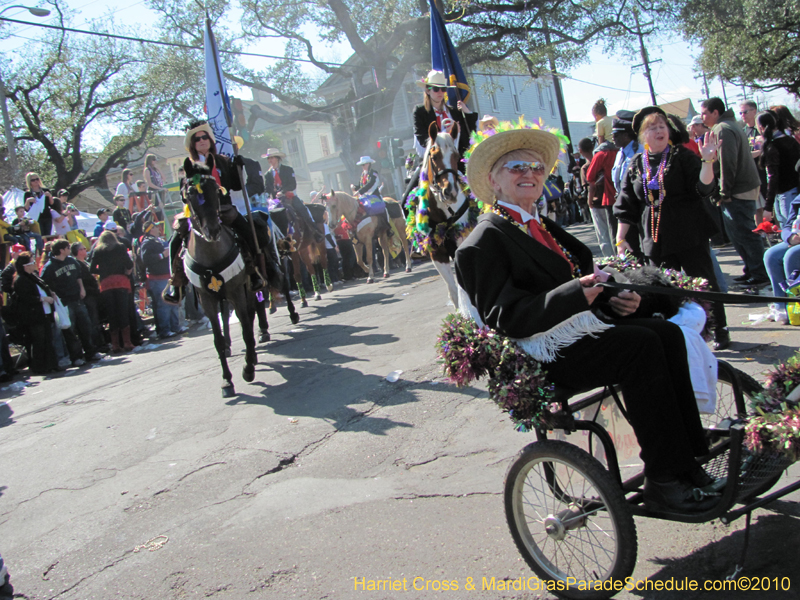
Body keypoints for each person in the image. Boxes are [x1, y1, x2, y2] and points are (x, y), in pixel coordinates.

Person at [454, 121, 718, 513]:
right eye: (516, 167)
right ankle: (664, 478)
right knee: (642, 346)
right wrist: (575, 295)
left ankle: (688, 461)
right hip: (544, 355)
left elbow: (583, 279)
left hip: (579, 334)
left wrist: (614, 300)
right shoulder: (482, 241)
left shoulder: (541, 225)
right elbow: (506, 317)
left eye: (536, 167)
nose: (529, 174)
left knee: (666, 333)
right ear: (493, 181)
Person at [614, 106, 730, 350]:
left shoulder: (682, 157)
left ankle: (719, 329)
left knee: (703, 282)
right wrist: (620, 238)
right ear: (643, 136)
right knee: (666, 290)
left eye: (662, 126)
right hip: (655, 237)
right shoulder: (636, 164)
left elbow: (703, 189)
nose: (659, 131)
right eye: (652, 128)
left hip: (689, 232)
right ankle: (680, 335)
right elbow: (626, 205)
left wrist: (707, 161)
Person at [700, 97, 768, 287]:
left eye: (704, 113)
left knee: (745, 233)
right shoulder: (729, 125)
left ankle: (760, 273)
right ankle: (751, 269)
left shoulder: (723, 128)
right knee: (738, 234)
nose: (702, 117)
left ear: (715, 112)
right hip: (740, 187)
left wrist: (724, 192)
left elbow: (728, 163)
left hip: (738, 190)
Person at [41, 239, 101, 365]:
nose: (69, 249)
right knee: (70, 332)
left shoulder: (72, 261)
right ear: (61, 250)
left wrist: (82, 288)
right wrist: (53, 294)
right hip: (64, 303)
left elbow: (78, 276)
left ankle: (91, 352)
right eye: (67, 247)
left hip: (77, 299)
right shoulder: (50, 267)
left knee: (85, 327)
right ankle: (76, 357)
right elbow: (45, 284)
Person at [412, 70, 477, 163]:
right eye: (436, 89)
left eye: (443, 89)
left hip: (457, 162)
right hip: (435, 162)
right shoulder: (420, 112)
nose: (440, 92)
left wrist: (467, 112)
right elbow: (423, 140)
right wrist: (446, 133)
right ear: (428, 91)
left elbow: (470, 136)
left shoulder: (454, 112)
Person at [10, 252, 59, 374]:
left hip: (44, 312)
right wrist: (42, 299)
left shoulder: (33, 277)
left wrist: (50, 293)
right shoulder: (21, 280)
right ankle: (40, 367)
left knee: (48, 339)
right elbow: (25, 298)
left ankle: (51, 364)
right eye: (32, 262)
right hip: (34, 316)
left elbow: (43, 287)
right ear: (25, 266)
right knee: (38, 341)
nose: (34, 264)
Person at [90, 230, 134, 352]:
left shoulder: (98, 250)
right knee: (123, 311)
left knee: (111, 313)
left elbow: (92, 269)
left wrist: (103, 272)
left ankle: (115, 345)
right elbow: (129, 264)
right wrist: (124, 271)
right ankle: (127, 342)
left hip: (106, 283)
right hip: (121, 281)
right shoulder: (120, 247)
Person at [263, 148, 320, 241]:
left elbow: (292, 184)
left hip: (289, 197)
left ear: (277, 158)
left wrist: (282, 192)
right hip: (275, 201)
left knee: (303, 209)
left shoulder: (288, 170)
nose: (270, 160)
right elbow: (267, 188)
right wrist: (265, 196)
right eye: (268, 158)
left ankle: (315, 232)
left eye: (272, 158)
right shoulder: (267, 174)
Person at [757, 110, 800, 228]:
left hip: (786, 193)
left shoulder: (772, 147)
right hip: (793, 190)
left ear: (761, 127)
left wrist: (768, 207)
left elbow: (773, 177)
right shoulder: (791, 140)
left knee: (789, 229)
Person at [764, 192, 800, 324]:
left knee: (791, 255)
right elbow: (787, 226)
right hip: (796, 239)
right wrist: (790, 237)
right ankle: (781, 307)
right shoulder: (798, 200)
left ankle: (795, 306)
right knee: (771, 255)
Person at [141, 221, 181, 338]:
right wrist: (162, 255)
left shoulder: (159, 240)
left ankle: (175, 327)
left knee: (173, 303)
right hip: (157, 278)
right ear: (150, 229)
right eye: (155, 227)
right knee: (163, 305)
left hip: (167, 276)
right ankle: (164, 330)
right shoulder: (147, 243)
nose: (158, 228)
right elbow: (145, 259)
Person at [577, 137, 616, 257]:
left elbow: (590, 186)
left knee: (603, 235)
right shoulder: (605, 158)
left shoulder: (586, 167)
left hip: (597, 202)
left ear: (580, 150)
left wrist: (589, 202)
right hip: (611, 199)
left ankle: (610, 259)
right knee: (614, 231)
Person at [71, 241, 104, 350]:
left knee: (97, 319)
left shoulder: (85, 262)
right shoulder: (77, 264)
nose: (86, 250)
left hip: (94, 293)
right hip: (88, 295)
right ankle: (97, 345)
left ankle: (101, 341)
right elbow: (83, 279)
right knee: (93, 320)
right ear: (78, 251)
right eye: (83, 248)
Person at [23, 172, 55, 236]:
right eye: (33, 180)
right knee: (40, 235)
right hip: (36, 218)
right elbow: (26, 209)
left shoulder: (45, 190)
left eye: (37, 179)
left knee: (48, 235)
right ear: (29, 182)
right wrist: (28, 201)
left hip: (47, 216)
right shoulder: (28, 193)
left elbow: (51, 204)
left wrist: (49, 196)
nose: (36, 181)